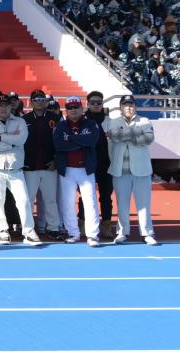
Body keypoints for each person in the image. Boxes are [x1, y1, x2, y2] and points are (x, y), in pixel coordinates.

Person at [0, 95, 41, 246]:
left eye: (6, 105)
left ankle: (29, 232)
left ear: (11, 107)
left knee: (23, 201)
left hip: (16, 169)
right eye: (0, 105)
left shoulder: (20, 122)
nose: (3, 108)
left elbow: (21, 140)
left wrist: (1, 137)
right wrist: (11, 143)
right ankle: (1, 231)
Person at [105, 96, 158, 245]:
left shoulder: (145, 120)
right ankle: (122, 232)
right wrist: (137, 132)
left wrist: (125, 134)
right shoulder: (113, 121)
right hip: (120, 170)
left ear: (135, 106)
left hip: (142, 169)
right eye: (125, 105)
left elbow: (149, 139)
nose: (128, 108)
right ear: (121, 107)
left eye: (131, 105)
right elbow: (115, 136)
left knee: (144, 204)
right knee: (122, 204)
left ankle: (147, 233)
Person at [53, 96, 102, 246]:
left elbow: (92, 141)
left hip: (86, 170)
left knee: (90, 203)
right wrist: (80, 140)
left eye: (76, 107)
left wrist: (71, 138)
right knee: (68, 203)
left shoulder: (91, 123)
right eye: (70, 108)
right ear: (66, 110)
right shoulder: (60, 125)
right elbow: (59, 145)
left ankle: (92, 235)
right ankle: (73, 233)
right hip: (67, 170)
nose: (73, 110)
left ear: (82, 108)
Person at [23, 90, 63, 239]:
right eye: (36, 99)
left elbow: (61, 141)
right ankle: (28, 229)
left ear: (46, 101)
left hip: (49, 166)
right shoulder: (24, 119)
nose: (39, 102)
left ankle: (53, 228)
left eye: (41, 99)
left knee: (51, 200)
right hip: (30, 167)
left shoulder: (56, 118)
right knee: (28, 200)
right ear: (31, 101)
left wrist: (56, 160)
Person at [84, 91, 115, 241]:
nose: (96, 105)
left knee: (106, 197)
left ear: (102, 104)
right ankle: (83, 223)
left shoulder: (111, 122)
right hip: (87, 164)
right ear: (88, 104)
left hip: (106, 164)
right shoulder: (82, 120)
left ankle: (106, 225)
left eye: (99, 103)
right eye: (93, 102)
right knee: (86, 196)